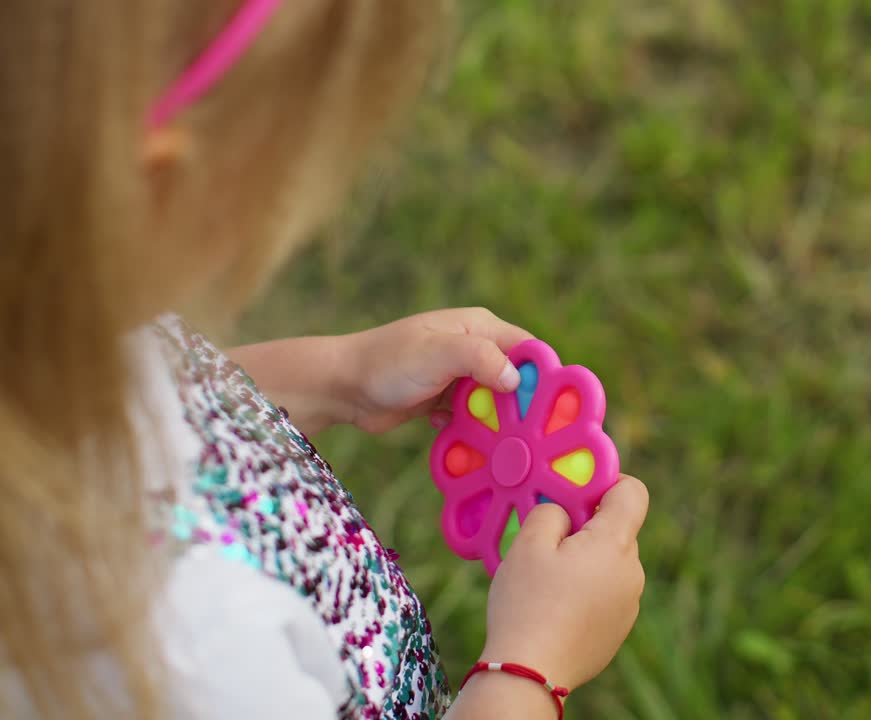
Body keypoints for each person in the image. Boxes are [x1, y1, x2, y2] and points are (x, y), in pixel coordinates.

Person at [0, 2, 648, 719]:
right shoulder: (194, 656)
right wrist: (530, 665)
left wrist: (342, 377)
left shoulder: (40, 325)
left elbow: (164, 388)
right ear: (153, 189)